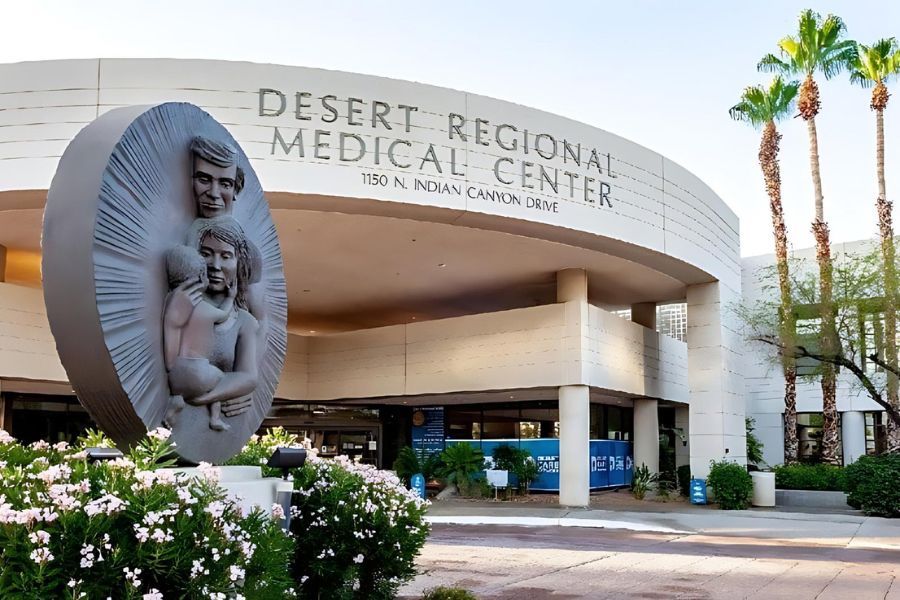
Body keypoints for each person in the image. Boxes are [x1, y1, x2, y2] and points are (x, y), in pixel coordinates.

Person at [164, 217, 259, 427]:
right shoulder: (178, 306)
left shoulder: (244, 322)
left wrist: (205, 398)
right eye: (205, 254)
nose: (215, 266)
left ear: (239, 264)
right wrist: (172, 316)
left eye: (226, 256)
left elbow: (249, 377)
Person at [162, 245, 234, 431]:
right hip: (199, 371)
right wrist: (230, 298)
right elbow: (224, 314)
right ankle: (215, 417)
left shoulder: (171, 302)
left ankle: (178, 400)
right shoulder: (204, 309)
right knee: (223, 380)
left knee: (185, 387)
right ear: (202, 278)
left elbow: (169, 360)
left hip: (176, 375)